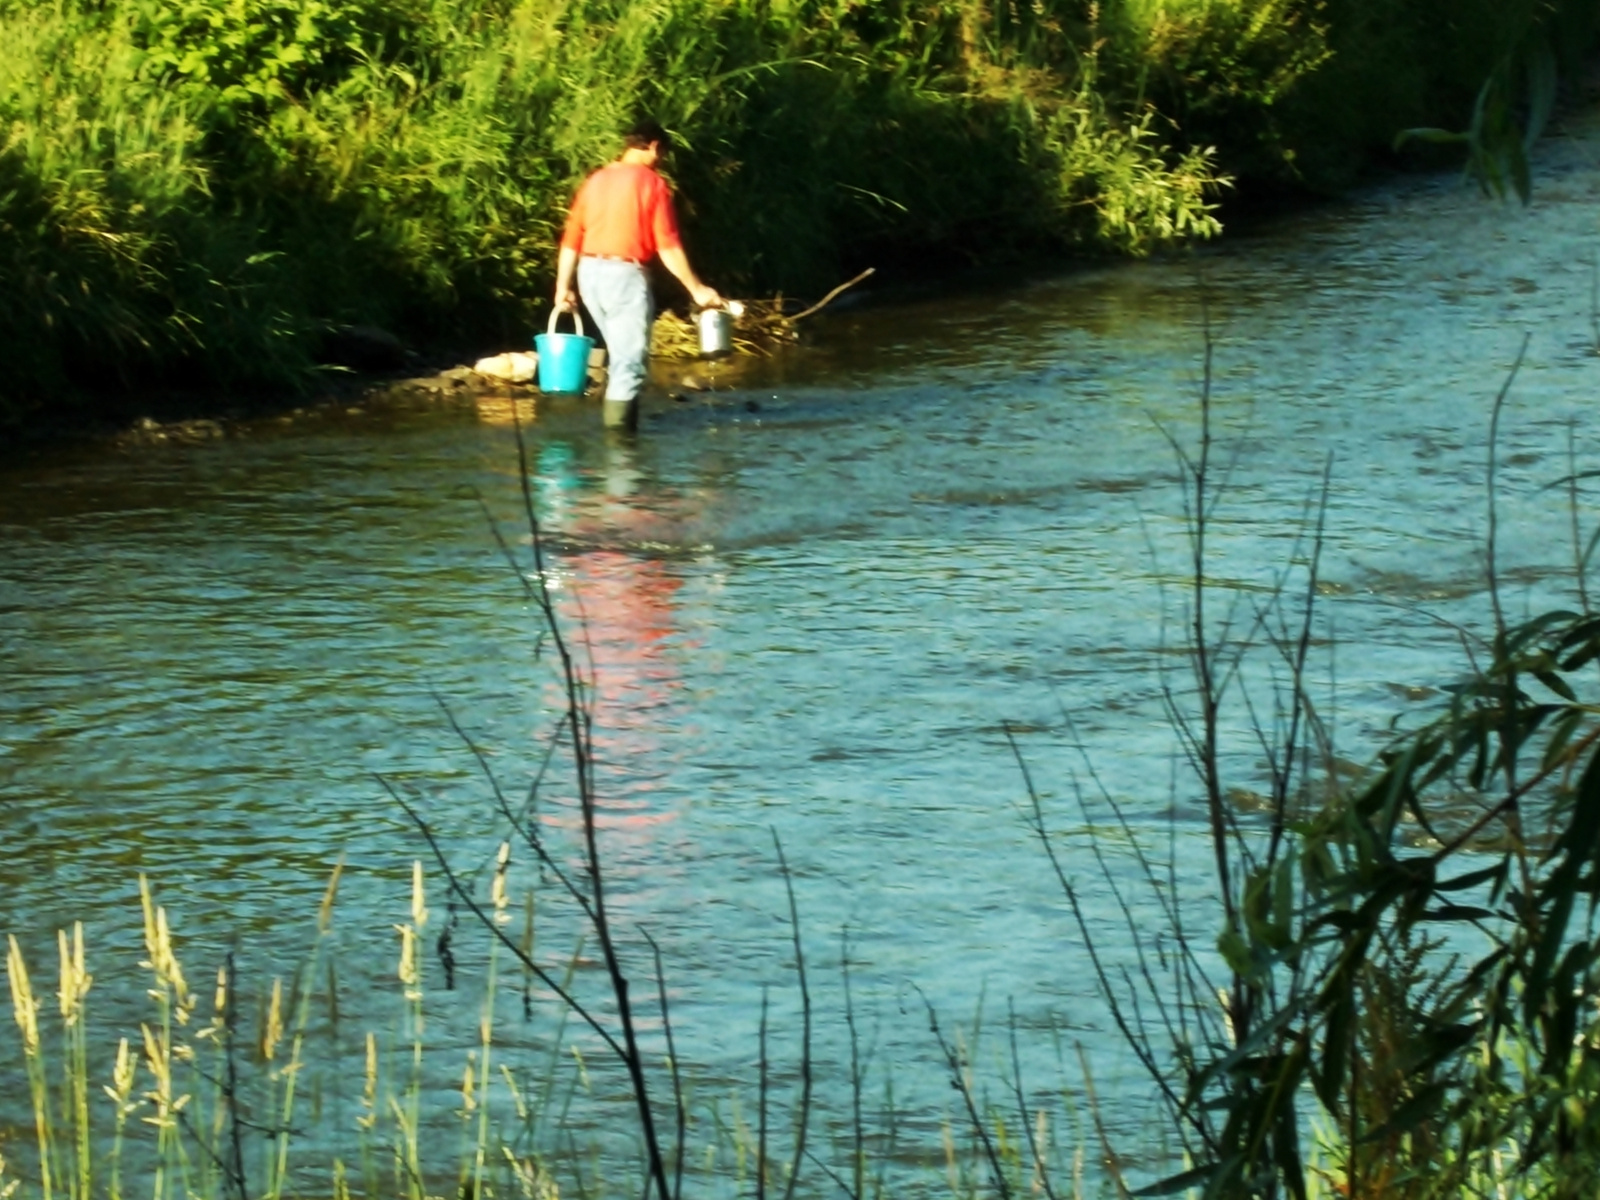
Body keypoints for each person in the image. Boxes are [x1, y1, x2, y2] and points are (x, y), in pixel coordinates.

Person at [554, 119, 722, 430]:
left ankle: (617, 433)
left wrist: (562, 287)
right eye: (663, 155)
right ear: (655, 147)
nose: (661, 163)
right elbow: (668, 247)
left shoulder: (596, 180)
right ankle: (622, 455)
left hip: (588, 275)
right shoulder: (652, 184)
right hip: (624, 278)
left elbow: (571, 239)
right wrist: (697, 289)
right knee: (628, 365)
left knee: (621, 360)